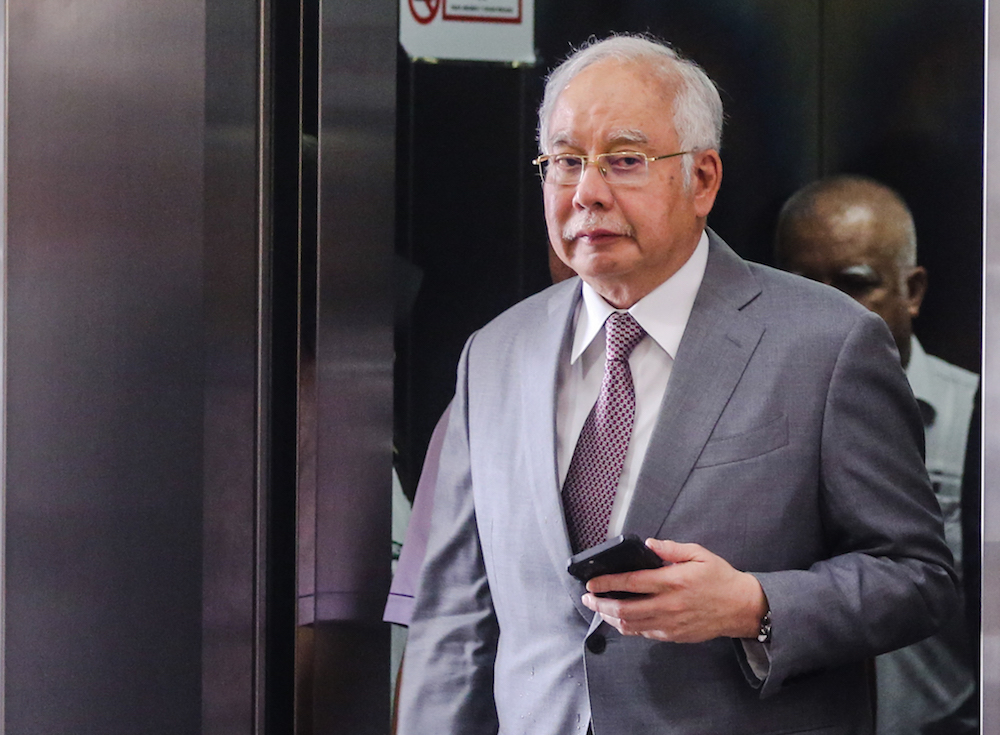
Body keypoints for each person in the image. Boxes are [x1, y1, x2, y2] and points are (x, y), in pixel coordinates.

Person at [397, 34, 957, 735]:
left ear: (703, 179)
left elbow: (918, 577)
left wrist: (754, 603)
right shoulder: (495, 353)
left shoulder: (826, 343)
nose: (587, 193)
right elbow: (454, 618)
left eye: (624, 161)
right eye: (565, 162)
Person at [774, 175, 979, 734]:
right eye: (802, 283)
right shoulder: (754, 425)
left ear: (911, 291)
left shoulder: (979, 421)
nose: (826, 306)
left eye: (855, 283)